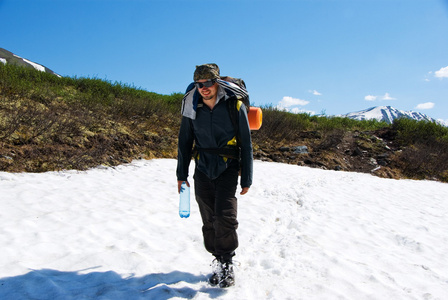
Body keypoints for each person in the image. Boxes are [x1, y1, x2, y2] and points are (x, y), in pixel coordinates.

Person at [176, 63, 253, 288]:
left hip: (228, 166)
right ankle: (218, 261)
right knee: (208, 218)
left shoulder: (233, 106)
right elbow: (184, 142)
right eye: (200, 84)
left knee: (225, 215)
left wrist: (247, 177)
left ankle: (228, 263)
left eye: (208, 83)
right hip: (202, 168)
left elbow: (246, 145)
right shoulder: (191, 106)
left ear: (216, 82)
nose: (204, 88)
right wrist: (181, 175)